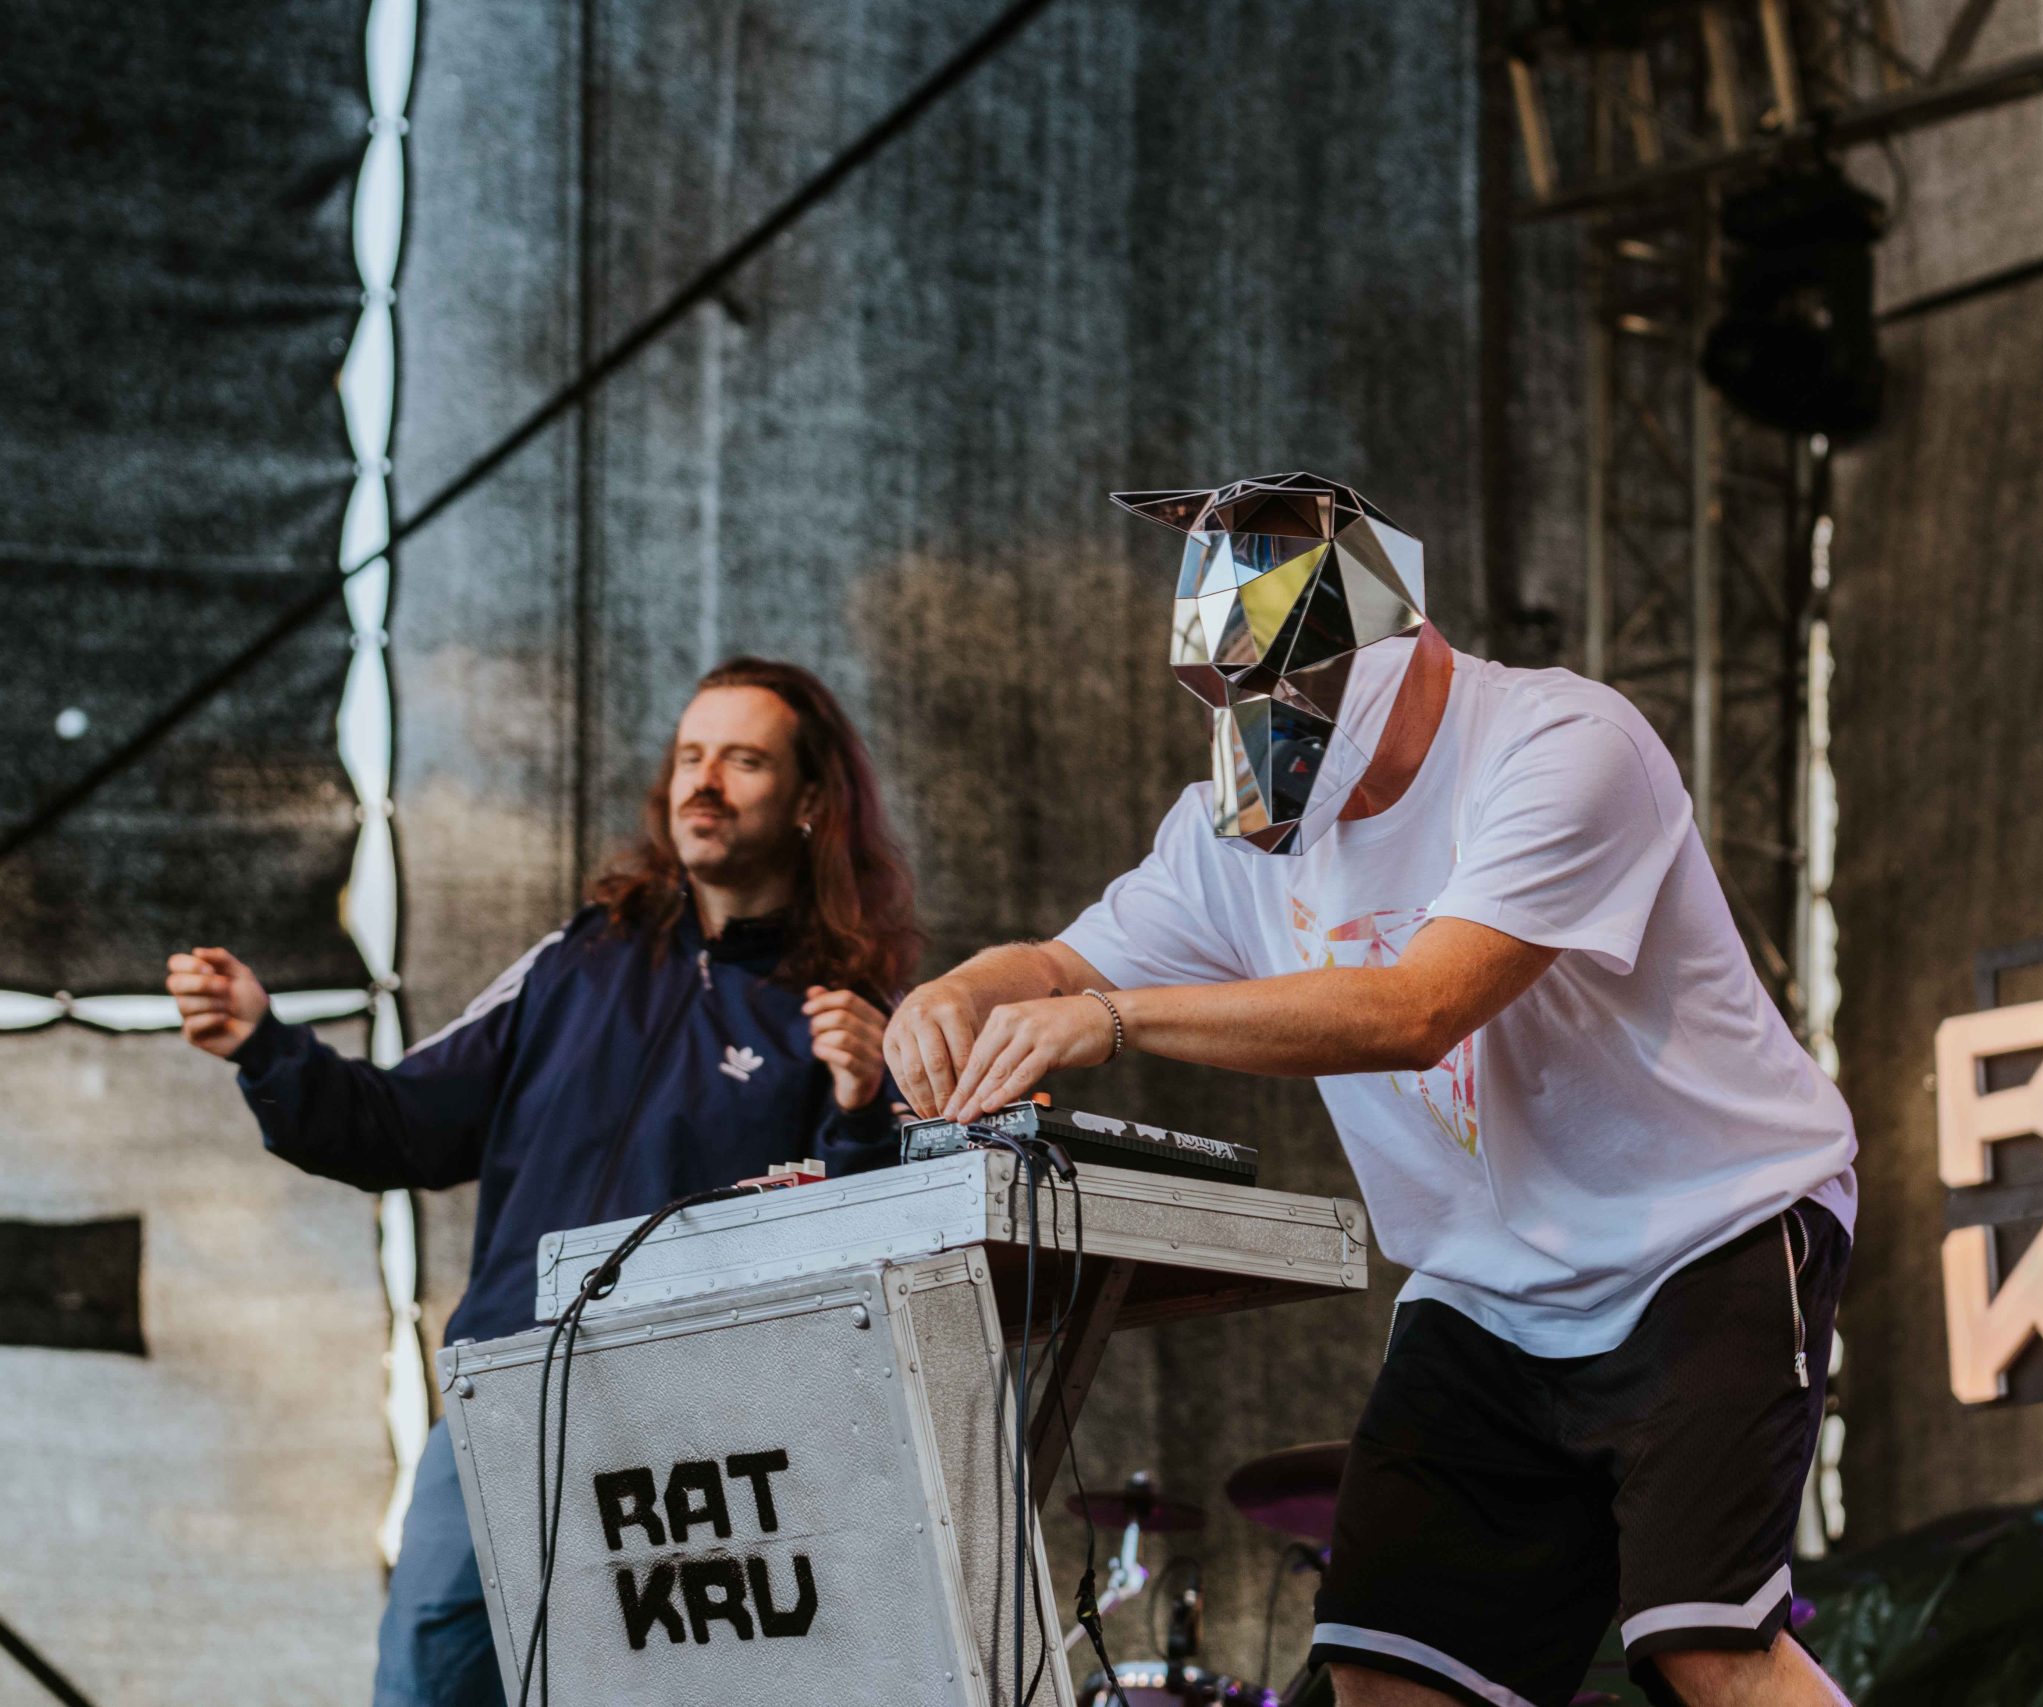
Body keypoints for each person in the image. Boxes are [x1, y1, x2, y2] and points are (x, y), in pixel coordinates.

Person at [884, 474, 1858, 1707]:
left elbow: (1417, 1010)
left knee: (1703, 1646)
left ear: (1397, 640)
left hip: (1706, 1232)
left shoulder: (1563, 745)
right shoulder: (1240, 815)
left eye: (1282, 680)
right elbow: (1057, 965)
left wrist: (1114, 1020)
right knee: (1387, 1675)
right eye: (1227, 685)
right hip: (1485, 1291)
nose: (1256, 717)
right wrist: (955, 993)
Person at [164, 656, 919, 1707]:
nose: (703, 783)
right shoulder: (579, 958)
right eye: (689, 756)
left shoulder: (852, 1014)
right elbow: (405, 1125)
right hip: (506, 1400)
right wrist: (265, 1044)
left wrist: (863, 1110)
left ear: (809, 800)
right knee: (427, 1685)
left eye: (743, 760)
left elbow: (874, 1265)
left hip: (707, 1442)